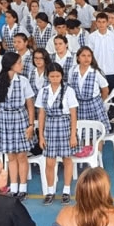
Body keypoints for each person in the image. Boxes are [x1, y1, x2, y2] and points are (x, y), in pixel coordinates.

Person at [0, 52, 36, 200]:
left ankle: (23, 187)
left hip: (20, 118)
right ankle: (13, 186)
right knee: (11, 156)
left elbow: (30, 105)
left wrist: (30, 125)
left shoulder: (23, 81)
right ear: (11, 65)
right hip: (3, 119)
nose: (21, 65)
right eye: (19, 63)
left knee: (22, 155)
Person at [36, 63, 78, 205]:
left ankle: (66, 190)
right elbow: (41, 114)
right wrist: (41, 135)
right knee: (50, 162)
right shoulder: (43, 91)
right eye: (52, 76)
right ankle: (50, 190)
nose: (55, 79)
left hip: (65, 125)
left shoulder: (68, 91)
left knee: (67, 159)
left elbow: (73, 114)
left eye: (57, 76)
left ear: (62, 76)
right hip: (50, 126)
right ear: (48, 76)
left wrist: (73, 135)